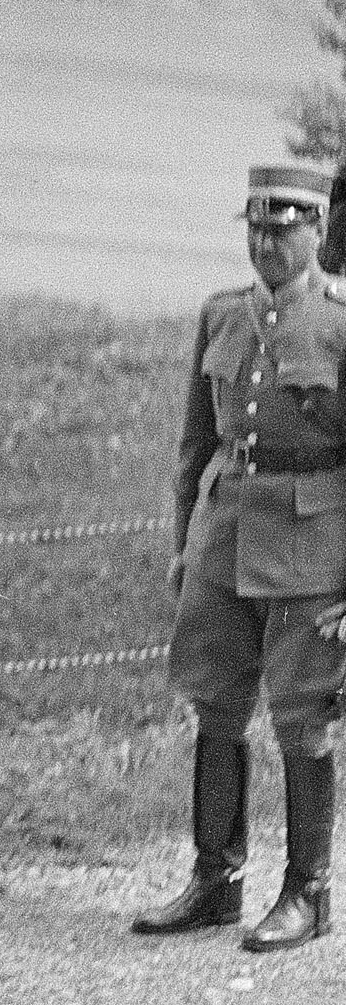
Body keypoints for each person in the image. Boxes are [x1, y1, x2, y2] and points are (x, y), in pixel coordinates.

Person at [137, 162, 343, 951]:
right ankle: (213, 883)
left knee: (301, 719)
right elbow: (195, 446)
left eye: (282, 230)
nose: (266, 244)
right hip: (222, 542)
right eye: (255, 229)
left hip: (311, 549)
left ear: (316, 230)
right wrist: (182, 547)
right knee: (215, 707)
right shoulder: (221, 315)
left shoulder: (338, 323)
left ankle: (306, 895)